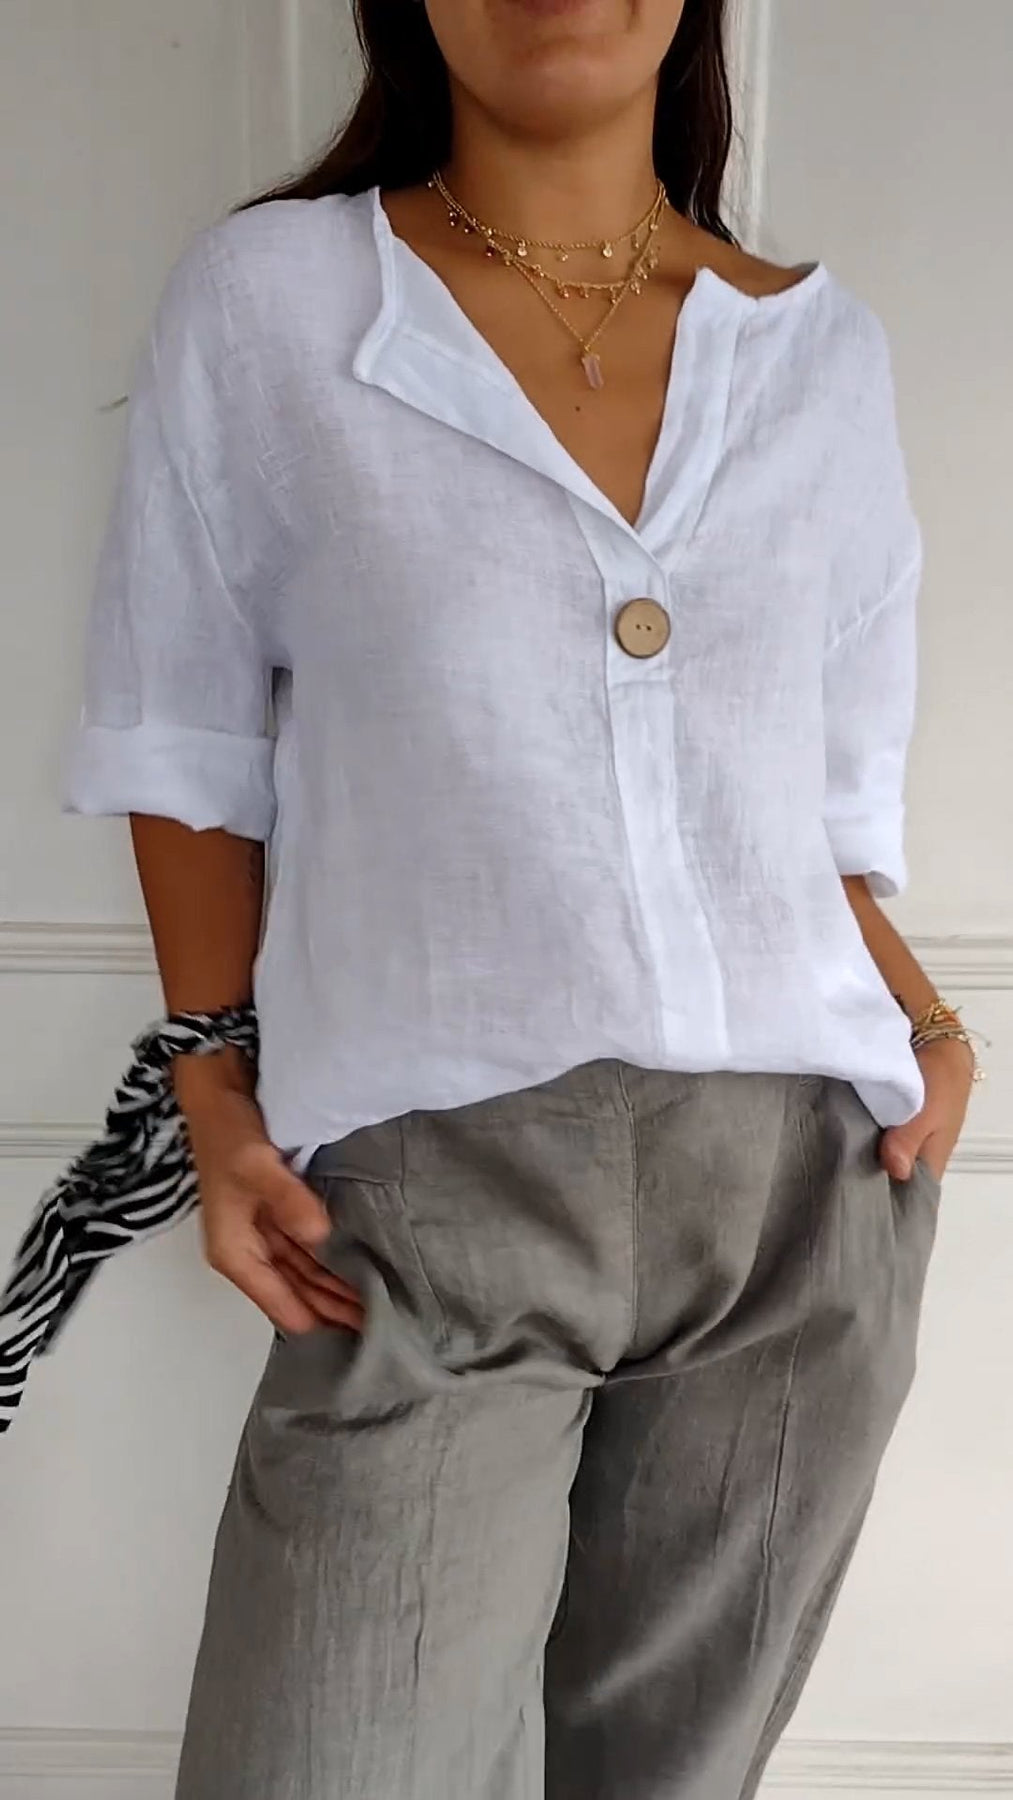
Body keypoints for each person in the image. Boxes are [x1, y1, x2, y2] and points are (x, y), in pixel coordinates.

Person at [62, 1, 976, 1795]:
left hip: (796, 1202)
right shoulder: (275, 304)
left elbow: (820, 807)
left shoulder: (818, 352)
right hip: (428, 1204)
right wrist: (211, 1085)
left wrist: (932, 1026)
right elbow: (183, 736)